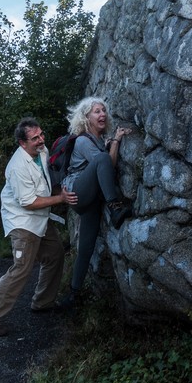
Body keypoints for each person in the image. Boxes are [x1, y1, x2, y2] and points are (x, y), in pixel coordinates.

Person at [0, 117, 77, 337]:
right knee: (21, 269)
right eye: (35, 138)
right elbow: (28, 202)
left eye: (41, 134)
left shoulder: (41, 151)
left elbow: (47, 178)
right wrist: (61, 199)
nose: (41, 140)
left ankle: (43, 302)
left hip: (40, 218)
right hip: (22, 221)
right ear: (22, 143)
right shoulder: (17, 166)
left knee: (55, 254)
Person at [58, 97, 132, 309]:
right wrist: (114, 142)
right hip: (78, 192)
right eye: (96, 111)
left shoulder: (100, 141)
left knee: (86, 246)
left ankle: (73, 294)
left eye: (103, 111)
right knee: (101, 159)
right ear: (86, 118)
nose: (102, 114)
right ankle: (115, 207)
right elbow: (105, 162)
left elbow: (108, 167)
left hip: (91, 197)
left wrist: (113, 141)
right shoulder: (83, 140)